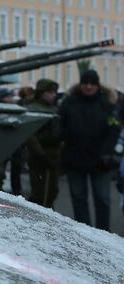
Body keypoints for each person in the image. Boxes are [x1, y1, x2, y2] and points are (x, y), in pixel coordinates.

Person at [58, 69, 120, 230]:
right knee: (78, 198)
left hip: (101, 160)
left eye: (92, 83)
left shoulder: (107, 103)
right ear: (81, 84)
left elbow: (114, 129)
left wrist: (107, 151)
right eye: (85, 83)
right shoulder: (69, 102)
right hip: (75, 158)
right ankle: (84, 231)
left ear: (97, 84)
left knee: (102, 198)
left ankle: (103, 232)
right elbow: (60, 125)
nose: (88, 86)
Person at [24, 79, 62, 208]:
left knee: (52, 191)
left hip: (55, 156)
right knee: (40, 193)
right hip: (39, 157)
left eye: (54, 92)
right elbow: (30, 136)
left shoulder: (55, 109)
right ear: (41, 93)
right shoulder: (32, 109)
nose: (53, 95)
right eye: (50, 92)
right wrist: (41, 155)